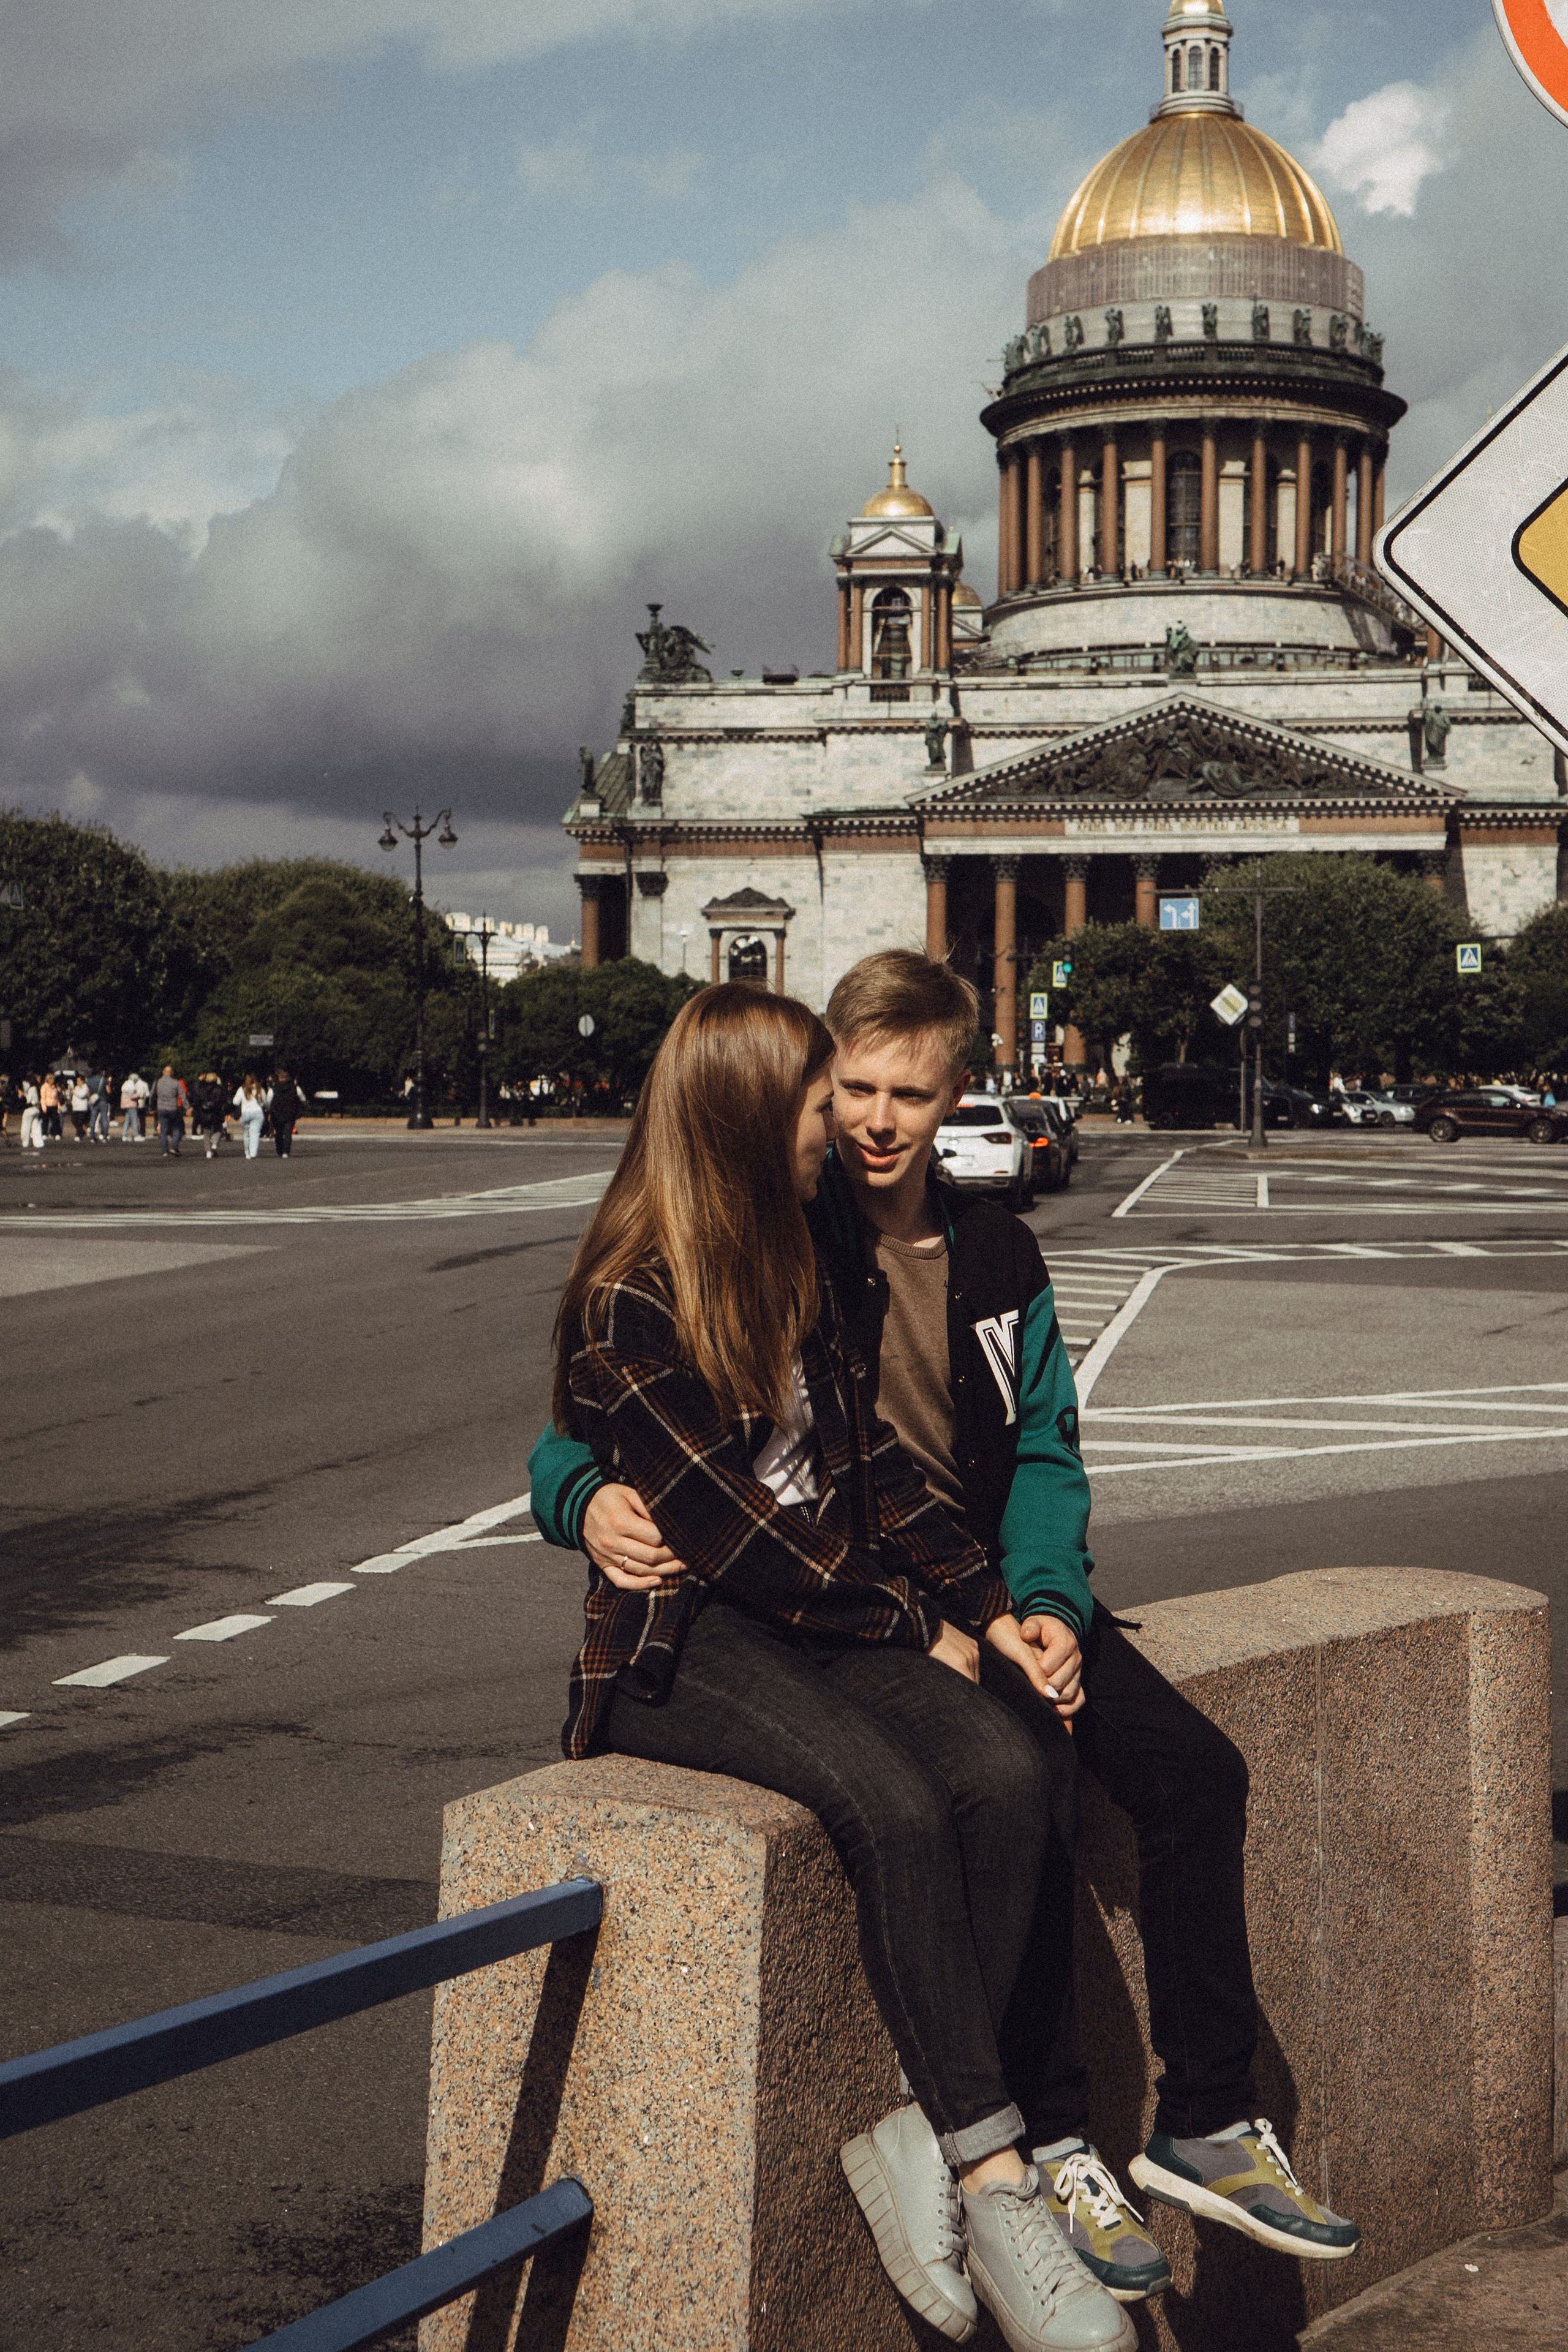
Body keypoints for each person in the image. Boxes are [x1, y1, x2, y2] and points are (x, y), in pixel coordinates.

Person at [532, 950, 1360, 2312]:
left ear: (954, 1095)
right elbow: (615, 1439)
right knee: (999, 1781)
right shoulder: (778, 1236)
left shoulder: (993, 1251)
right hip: (829, 1607)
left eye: (902, 1096)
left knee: (1189, 1774)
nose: (866, 1122)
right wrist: (574, 1496)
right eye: (842, 1092)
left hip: (958, 1582)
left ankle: (1207, 2120)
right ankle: (1038, 2144)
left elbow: (1027, 1453)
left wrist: (1029, 1606)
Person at [543, 981, 1132, 2352]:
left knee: (1003, 1771)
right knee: (894, 1804)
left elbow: (874, 1478)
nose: (845, 1129)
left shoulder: (797, 1260)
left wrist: (991, 1609)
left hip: (819, 1617)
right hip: (682, 1640)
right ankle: (995, 2181)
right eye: (824, 1102)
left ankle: (924, 2127)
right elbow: (737, 1538)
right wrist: (918, 1629)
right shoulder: (631, 1296)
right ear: (755, 1119)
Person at [152, 1064, 189, 1158]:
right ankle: (174, 1147)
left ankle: (165, 1151)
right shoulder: (176, 1083)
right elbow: (183, 1096)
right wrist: (187, 1107)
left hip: (161, 1108)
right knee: (177, 1129)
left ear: (163, 1072)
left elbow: (152, 1095)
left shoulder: (157, 1082)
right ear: (172, 1073)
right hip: (173, 1108)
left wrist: (151, 1107)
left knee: (163, 1130)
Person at [269, 1067, 306, 1158]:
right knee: (288, 1133)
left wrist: (270, 1110)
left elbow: (269, 1100)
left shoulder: (274, 1088)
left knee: (279, 1133)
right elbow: (303, 1099)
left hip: (277, 1114)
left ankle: (280, 1151)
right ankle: (286, 1152)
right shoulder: (295, 1088)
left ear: (279, 1078)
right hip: (290, 1113)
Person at [233, 1074, 266, 1158]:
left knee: (247, 1133)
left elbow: (235, 1102)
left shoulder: (242, 1089)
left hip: (245, 1113)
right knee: (255, 1133)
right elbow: (265, 1101)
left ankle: (247, 1153)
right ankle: (253, 1153)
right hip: (257, 1112)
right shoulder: (260, 1089)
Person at [119, 1071, 145, 1142]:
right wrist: (140, 1095)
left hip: (126, 1105)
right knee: (134, 1120)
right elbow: (132, 1096)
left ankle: (124, 1135)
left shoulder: (126, 1084)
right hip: (131, 1105)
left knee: (127, 1121)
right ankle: (136, 1135)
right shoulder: (131, 1085)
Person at [88, 1066, 111, 1142]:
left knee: (93, 1119)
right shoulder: (104, 1080)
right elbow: (108, 1091)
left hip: (94, 1102)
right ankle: (104, 1136)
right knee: (104, 1118)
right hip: (103, 1101)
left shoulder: (90, 1080)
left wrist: (91, 1098)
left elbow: (87, 1092)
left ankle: (92, 1137)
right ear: (101, 1072)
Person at [39, 1071, 62, 1141]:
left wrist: (59, 1106)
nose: (53, 1081)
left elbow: (57, 1098)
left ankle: (57, 1134)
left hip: (54, 1106)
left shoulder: (54, 1088)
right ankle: (44, 1134)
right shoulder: (44, 1087)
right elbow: (43, 1098)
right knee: (45, 1121)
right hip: (47, 1106)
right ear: (48, 1080)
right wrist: (44, 1107)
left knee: (56, 1121)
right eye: (52, 1079)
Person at [69, 1072, 91, 1140]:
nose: (78, 1082)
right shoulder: (76, 1088)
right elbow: (74, 1096)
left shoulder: (85, 1087)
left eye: (79, 1081)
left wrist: (73, 1091)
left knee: (80, 1122)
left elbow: (82, 1095)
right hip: (76, 1108)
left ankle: (78, 1135)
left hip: (82, 1108)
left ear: (83, 1081)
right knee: (73, 1120)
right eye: (77, 1081)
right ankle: (82, 1132)